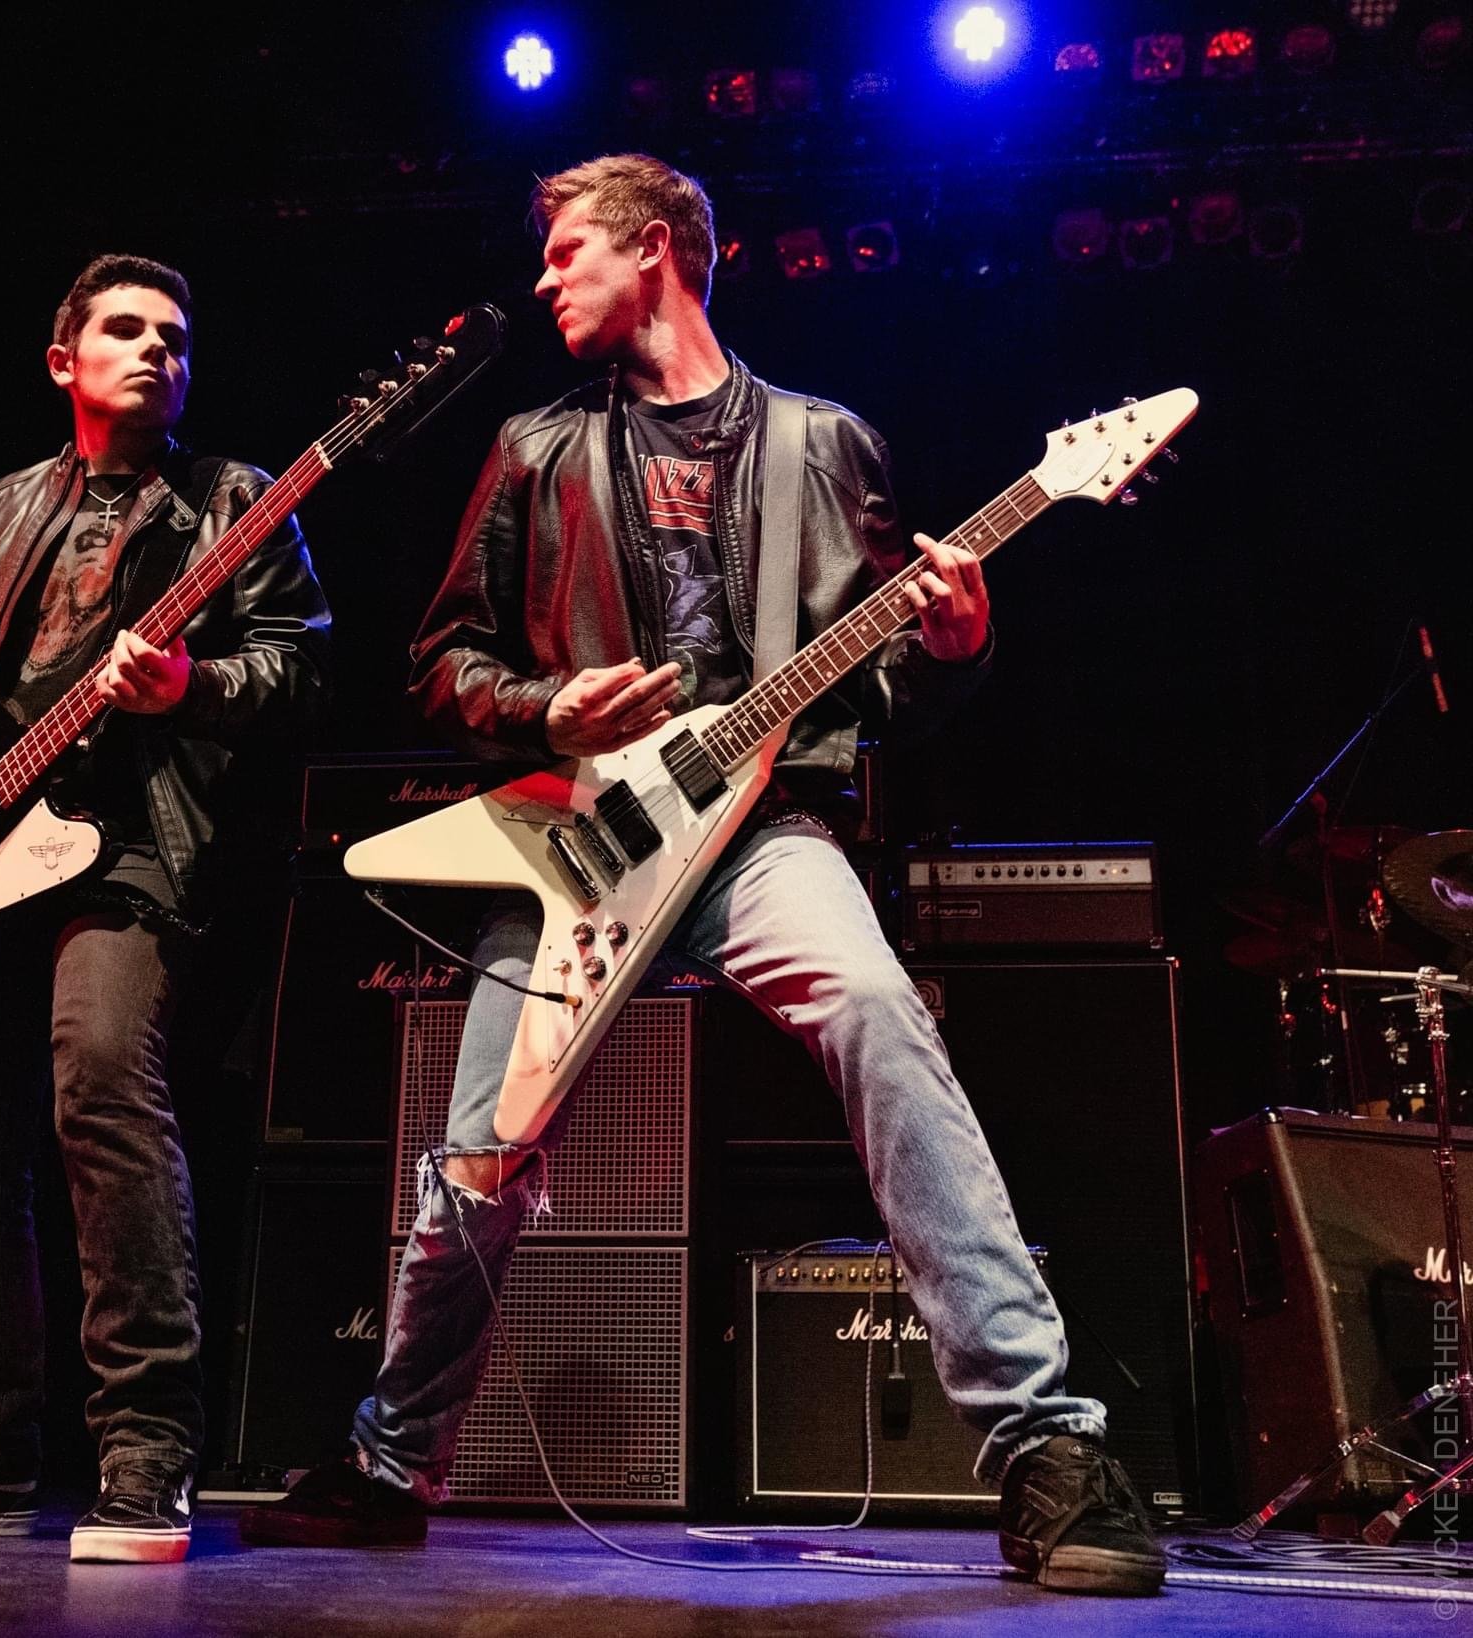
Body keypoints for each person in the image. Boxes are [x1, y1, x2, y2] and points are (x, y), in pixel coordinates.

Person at [239, 155, 1163, 1596]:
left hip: (762, 835)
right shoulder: (536, 448)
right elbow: (439, 662)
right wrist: (550, 710)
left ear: (657, 249)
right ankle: (388, 1457)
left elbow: (887, 681)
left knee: (876, 1013)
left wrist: (959, 640)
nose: (542, 281)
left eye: (564, 254)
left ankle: (1047, 1443)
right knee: (480, 1156)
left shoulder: (824, 443)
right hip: (581, 846)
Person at [0, 254, 331, 1563]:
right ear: (64, 361)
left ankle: (149, 1450)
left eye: (177, 334)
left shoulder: (235, 503)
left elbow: (301, 671)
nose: (156, 348)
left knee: (100, 1075)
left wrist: (185, 688)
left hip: (136, 843)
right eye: (124, 328)